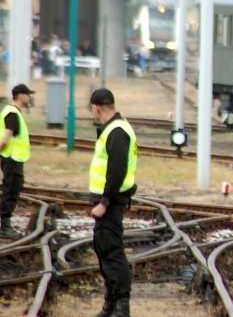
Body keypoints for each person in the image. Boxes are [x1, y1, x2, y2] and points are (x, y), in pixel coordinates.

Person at [89, 88, 138, 317]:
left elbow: (116, 172)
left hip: (111, 203)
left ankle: (121, 306)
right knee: (104, 248)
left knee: (112, 252)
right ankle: (110, 304)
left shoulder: (117, 132)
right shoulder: (115, 128)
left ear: (96, 107)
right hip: (108, 202)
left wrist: (104, 202)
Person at [0, 84, 34, 239]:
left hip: (14, 158)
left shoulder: (13, 112)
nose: (29, 97)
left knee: (13, 188)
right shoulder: (13, 113)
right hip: (12, 158)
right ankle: (5, 226)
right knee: (11, 189)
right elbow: (6, 138)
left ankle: (5, 224)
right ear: (20, 95)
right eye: (27, 94)